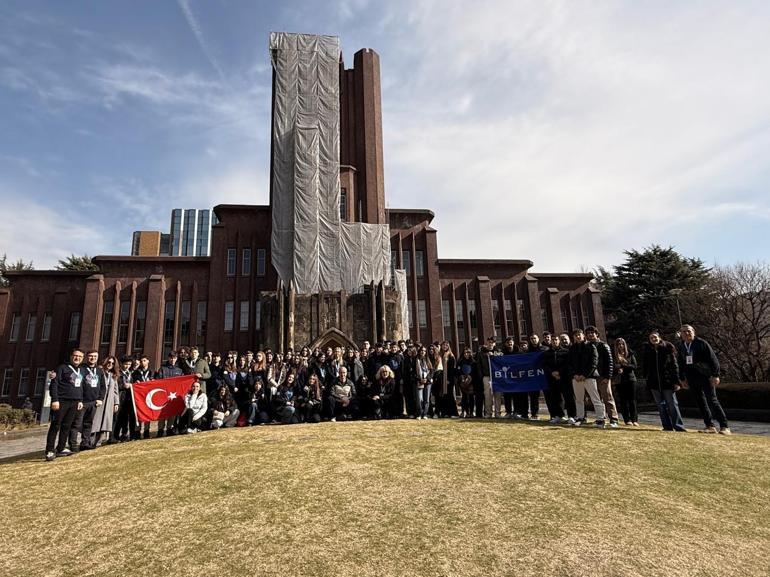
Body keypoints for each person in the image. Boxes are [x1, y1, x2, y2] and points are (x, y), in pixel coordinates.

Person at [677, 324, 730, 435]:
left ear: (693, 332)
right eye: (683, 332)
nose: (686, 333)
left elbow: (713, 359)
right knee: (700, 402)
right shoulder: (681, 346)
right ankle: (709, 425)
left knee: (712, 400)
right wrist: (682, 379)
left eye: (688, 331)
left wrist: (716, 375)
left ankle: (724, 426)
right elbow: (680, 363)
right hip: (691, 378)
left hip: (705, 377)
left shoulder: (701, 343)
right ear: (680, 334)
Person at [45, 349, 85, 461]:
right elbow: (54, 383)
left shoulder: (81, 370)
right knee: (56, 425)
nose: (77, 358)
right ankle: (49, 450)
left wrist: (80, 400)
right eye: (75, 356)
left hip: (75, 401)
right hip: (62, 401)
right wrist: (55, 399)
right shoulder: (62, 368)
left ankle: (61, 448)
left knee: (67, 425)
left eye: (80, 357)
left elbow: (81, 386)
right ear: (71, 356)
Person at [643, 329, 686, 432]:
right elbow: (645, 366)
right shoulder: (648, 350)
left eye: (655, 337)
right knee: (660, 406)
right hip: (654, 383)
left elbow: (674, 365)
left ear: (659, 337)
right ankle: (667, 426)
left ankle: (678, 426)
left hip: (667, 382)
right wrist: (647, 378)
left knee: (672, 405)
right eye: (651, 338)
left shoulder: (667, 348)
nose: (654, 339)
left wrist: (676, 381)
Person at [568, 329, 607, 427]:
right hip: (576, 378)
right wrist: (574, 375)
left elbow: (594, 363)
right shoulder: (572, 348)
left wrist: (585, 375)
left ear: (583, 336)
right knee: (579, 399)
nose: (577, 337)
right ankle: (581, 418)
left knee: (595, 398)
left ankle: (600, 419)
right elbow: (569, 364)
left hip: (589, 377)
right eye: (575, 335)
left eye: (579, 335)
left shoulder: (591, 346)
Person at [70, 350, 106, 451]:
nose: (93, 358)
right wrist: (79, 399)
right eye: (90, 356)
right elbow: (77, 385)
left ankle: (85, 443)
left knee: (88, 423)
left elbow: (103, 386)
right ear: (87, 357)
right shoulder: (81, 369)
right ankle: (73, 444)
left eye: (95, 356)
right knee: (76, 424)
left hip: (93, 402)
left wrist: (100, 398)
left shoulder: (99, 371)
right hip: (82, 402)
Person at [585, 326, 619, 428]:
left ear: (597, 334)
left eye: (592, 333)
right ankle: (601, 419)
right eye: (588, 333)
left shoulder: (603, 345)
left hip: (603, 376)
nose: (590, 335)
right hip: (592, 376)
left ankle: (614, 419)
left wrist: (608, 376)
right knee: (597, 399)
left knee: (607, 398)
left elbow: (610, 362)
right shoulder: (587, 346)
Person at [90, 356, 120, 447]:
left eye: (112, 363)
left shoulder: (113, 375)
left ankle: (98, 442)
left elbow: (115, 391)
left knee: (105, 422)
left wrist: (116, 403)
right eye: (109, 362)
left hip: (109, 402)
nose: (110, 364)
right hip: (99, 400)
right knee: (95, 421)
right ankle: (90, 442)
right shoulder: (99, 372)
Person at [155, 350, 183, 437]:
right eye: (171, 358)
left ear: (176, 359)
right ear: (168, 358)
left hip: (173, 396)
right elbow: (157, 381)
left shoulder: (179, 370)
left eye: (174, 358)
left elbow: (182, 383)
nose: (172, 360)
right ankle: (160, 430)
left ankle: (169, 429)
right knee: (162, 413)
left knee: (172, 412)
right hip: (163, 395)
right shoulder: (162, 369)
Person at [613, 338, 639, 426]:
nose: (621, 346)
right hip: (620, 381)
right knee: (623, 401)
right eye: (619, 344)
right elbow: (613, 367)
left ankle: (634, 419)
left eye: (622, 344)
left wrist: (623, 366)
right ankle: (627, 420)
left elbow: (634, 366)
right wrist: (617, 369)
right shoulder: (614, 355)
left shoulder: (630, 354)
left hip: (630, 379)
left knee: (632, 400)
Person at [476, 336, 500, 418]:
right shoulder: (481, 353)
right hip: (486, 376)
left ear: (494, 343)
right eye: (489, 342)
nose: (490, 344)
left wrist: (494, 356)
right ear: (487, 343)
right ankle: (488, 413)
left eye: (492, 342)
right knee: (487, 395)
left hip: (497, 377)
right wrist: (481, 376)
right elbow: (479, 366)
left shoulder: (498, 352)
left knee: (497, 395)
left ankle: (498, 413)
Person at [113, 355, 137, 442]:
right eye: (126, 364)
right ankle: (115, 436)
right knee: (119, 418)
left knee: (130, 418)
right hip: (121, 398)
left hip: (130, 399)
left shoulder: (131, 373)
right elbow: (115, 386)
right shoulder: (118, 373)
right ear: (122, 364)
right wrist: (123, 386)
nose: (127, 366)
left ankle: (127, 435)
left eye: (129, 364)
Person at [132, 354, 155, 439]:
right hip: (139, 397)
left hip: (149, 396)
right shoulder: (136, 372)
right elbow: (132, 382)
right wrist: (135, 382)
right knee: (139, 414)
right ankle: (137, 432)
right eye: (141, 361)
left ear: (148, 361)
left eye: (144, 361)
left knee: (147, 413)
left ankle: (146, 432)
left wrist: (153, 381)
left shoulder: (153, 372)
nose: (143, 363)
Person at [456, 348, 476, 417]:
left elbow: (474, 372)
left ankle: (471, 412)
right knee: (464, 397)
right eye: (464, 353)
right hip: (462, 382)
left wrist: (470, 378)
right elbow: (458, 371)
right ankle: (464, 412)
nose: (466, 354)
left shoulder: (473, 362)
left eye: (467, 353)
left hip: (471, 382)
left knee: (471, 397)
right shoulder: (460, 362)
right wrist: (461, 378)